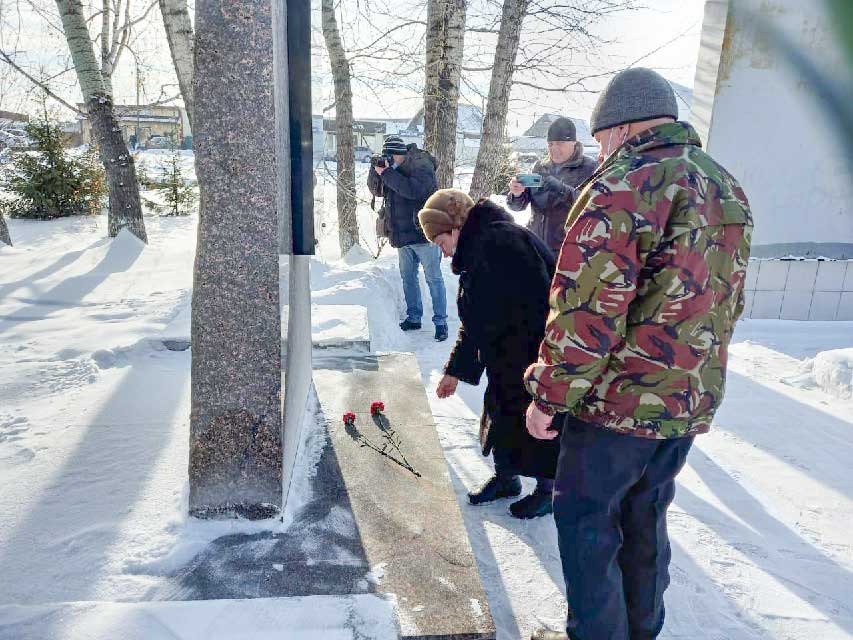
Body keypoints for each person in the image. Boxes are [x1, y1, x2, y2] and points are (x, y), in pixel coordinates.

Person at [524, 68, 753, 640]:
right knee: (645, 516)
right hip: (685, 399)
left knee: (588, 523)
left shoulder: (624, 184)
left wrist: (547, 399)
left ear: (619, 128)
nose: (598, 150)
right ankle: (640, 630)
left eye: (600, 138)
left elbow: (587, 313)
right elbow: (728, 299)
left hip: (618, 407)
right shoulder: (723, 184)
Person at [418, 189, 560, 519]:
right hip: (506, 351)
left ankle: (548, 490)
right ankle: (507, 478)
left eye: (441, 242)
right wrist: (456, 369)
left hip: (530, 349)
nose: (443, 251)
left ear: (455, 228)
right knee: (501, 413)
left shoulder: (500, 241)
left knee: (535, 419)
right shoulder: (481, 244)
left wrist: (532, 354)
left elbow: (539, 298)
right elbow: (477, 316)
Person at [368, 135, 449, 341]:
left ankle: (441, 322)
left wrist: (387, 172)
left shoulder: (421, 163)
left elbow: (413, 191)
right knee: (408, 278)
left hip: (424, 234)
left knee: (433, 278)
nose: (388, 160)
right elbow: (376, 191)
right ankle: (414, 318)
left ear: (398, 154)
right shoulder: (390, 169)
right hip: (401, 233)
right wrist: (376, 171)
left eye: (389, 157)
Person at [507, 117, 597, 253]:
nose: (554, 149)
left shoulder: (589, 168)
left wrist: (560, 189)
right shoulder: (540, 167)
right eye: (550, 144)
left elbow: (593, 205)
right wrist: (517, 193)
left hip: (570, 251)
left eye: (560, 143)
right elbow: (518, 207)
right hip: (536, 247)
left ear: (573, 143)